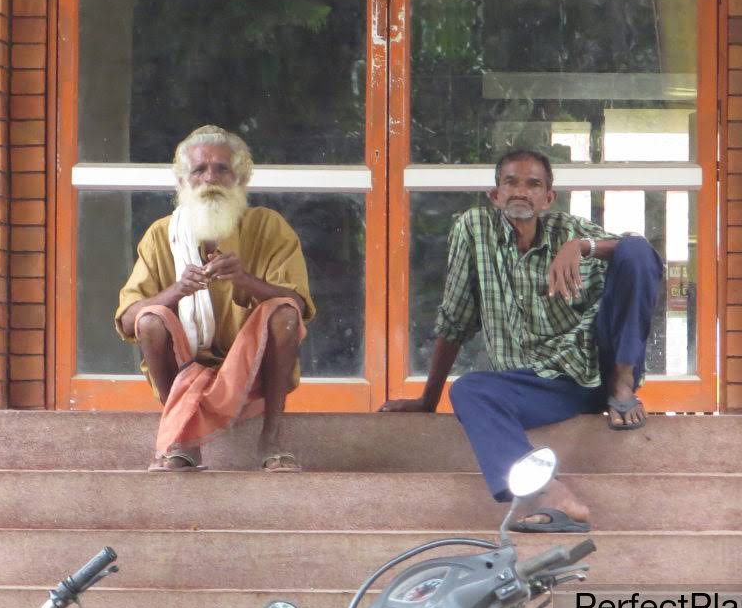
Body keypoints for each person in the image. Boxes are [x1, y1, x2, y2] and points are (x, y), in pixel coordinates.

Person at [381, 147, 664, 533]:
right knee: (469, 390)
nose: (520, 191)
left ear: (548, 198)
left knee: (635, 249)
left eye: (533, 184)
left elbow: (641, 260)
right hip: (543, 386)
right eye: (510, 182)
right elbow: (455, 319)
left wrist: (580, 247)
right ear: (494, 194)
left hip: (597, 369)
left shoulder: (568, 230)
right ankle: (549, 494)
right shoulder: (474, 229)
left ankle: (623, 382)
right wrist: (427, 400)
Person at [116, 125, 315, 473]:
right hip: (187, 363)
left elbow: (297, 307)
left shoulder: (268, 226)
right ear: (182, 182)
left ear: (240, 179)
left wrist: (245, 281)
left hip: (252, 363)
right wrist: (177, 290)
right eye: (199, 170)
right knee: (150, 318)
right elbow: (130, 319)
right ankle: (180, 439)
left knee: (283, 313)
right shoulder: (162, 235)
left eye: (222, 168)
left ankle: (272, 439)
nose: (211, 179)